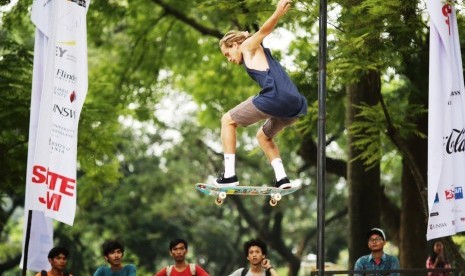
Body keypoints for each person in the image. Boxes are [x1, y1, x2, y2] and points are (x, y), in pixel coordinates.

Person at [216, 0, 307, 189]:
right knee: (263, 136)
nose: (230, 59)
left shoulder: (247, 47)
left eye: (227, 54)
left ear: (234, 44)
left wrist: (278, 12)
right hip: (295, 105)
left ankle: (230, 175)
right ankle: (282, 179)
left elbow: (264, 30)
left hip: (275, 97)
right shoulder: (256, 49)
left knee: (227, 120)